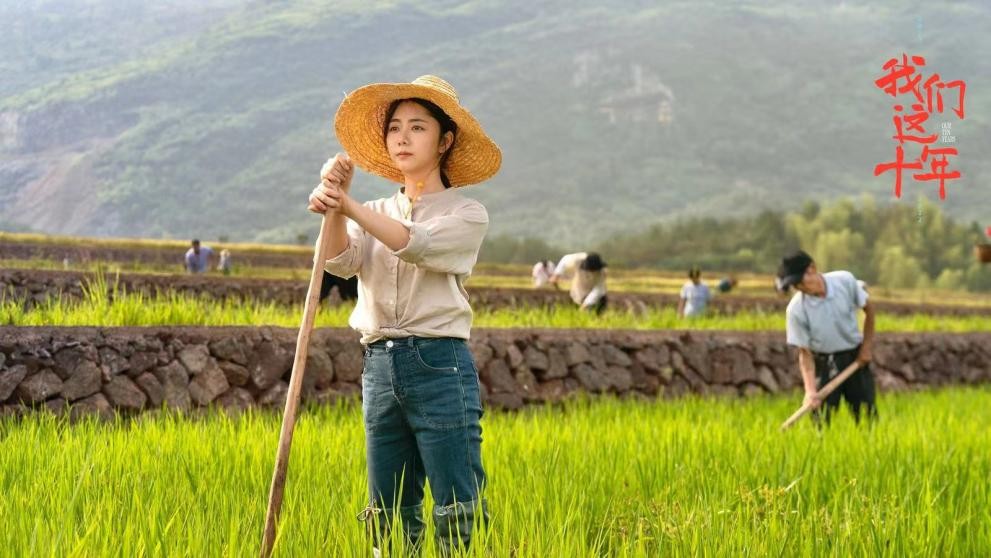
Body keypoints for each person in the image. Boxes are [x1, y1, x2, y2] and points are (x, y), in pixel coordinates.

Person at [308, 75, 500, 555]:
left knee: (456, 501)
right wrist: (334, 207)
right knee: (388, 506)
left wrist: (348, 205)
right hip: (378, 364)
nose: (403, 137)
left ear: (445, 140)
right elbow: (339, 263)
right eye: (395, 128)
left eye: (417, 127)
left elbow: (415, 243)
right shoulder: (372, 208)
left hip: (438, 364)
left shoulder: (467, 213)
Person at [776, 250, 877, 425]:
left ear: (812, 269)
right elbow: (805, 354)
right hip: (824, 363)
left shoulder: (844, 281)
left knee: (867, 416)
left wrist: (866, 347)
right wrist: (810, 391)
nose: (799, 287)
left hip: (855, 357)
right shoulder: (796, 309)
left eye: (800, 281)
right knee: (820, 421)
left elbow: (869, 310)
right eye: (795, 285)